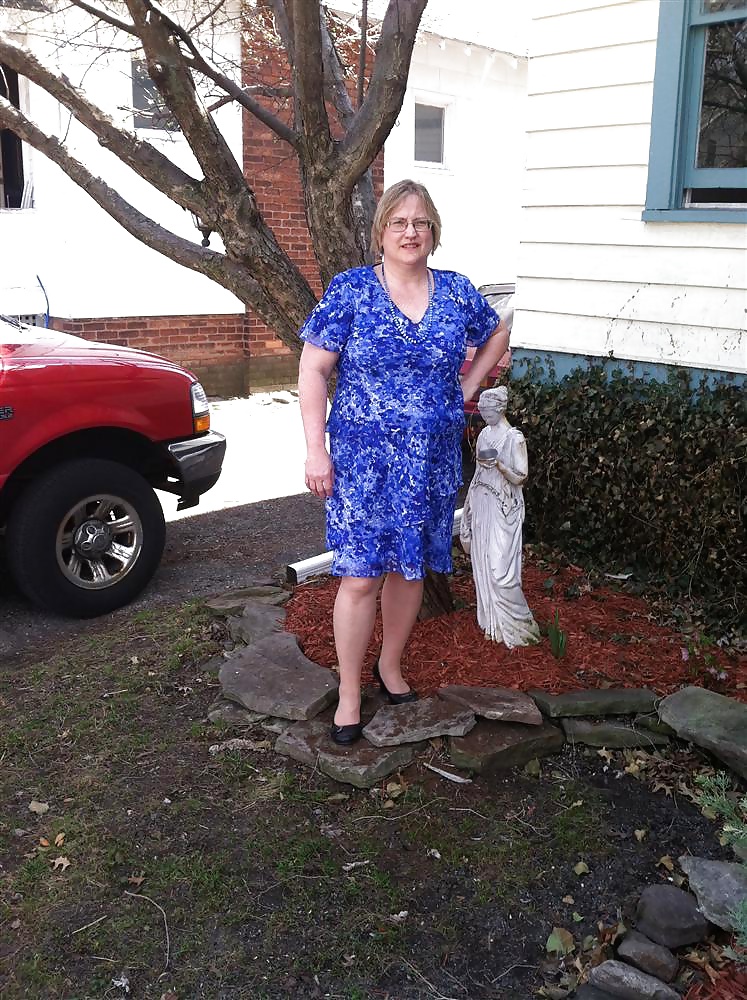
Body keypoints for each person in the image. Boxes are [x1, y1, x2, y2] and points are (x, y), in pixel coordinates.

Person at [298, 179, 510, 744]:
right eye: (399, 222)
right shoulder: (351, 291)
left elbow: (496, 333)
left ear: (433, 231)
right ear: (382, 232)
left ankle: (389, 666)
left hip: (430, 461)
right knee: (360, 575)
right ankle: (349, 691)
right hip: (363, 464)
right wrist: (316, 450)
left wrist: (467, 387)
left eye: (420, 222)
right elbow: (313, 369)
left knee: (410, 569)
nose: (410, 232)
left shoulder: (458, 292)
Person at [459, 387, 540, 648]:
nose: (485, 417)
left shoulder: (514, 438)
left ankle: (520, 629)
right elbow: (477, 474)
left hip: (504, 507)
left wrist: (500, 466)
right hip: (482, 502)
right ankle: (492, 625)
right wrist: (468, 507)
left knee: (500, 571)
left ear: (500, 409)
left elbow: (521, 476)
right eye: (482, 413)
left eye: (489, 413)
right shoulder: (484, 434)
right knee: (482, 563)